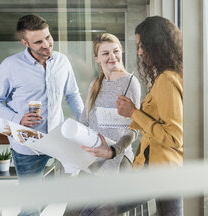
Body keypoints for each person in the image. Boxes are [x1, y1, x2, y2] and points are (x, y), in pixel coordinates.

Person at [0, 14, 84, 215]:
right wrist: (16, 119)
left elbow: (72, 94)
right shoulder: (11, 66)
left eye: (48, 37)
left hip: (58, 141)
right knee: (31, 206)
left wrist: (85, 125)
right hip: (27, 147)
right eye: (38, 42)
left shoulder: (62, 62)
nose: (47, 44)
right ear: (25, 42)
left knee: (60, 197)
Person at [63, 33, 141, 216]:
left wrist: (114, 150)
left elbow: (135, 128)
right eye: (105, 53)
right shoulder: (95, 85)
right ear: (97, 58)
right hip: (93, 159)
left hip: (118, 159)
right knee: (71, 212)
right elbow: (85, 121)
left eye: (115, 51)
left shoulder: (130, 82)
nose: (112, 57)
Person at [116, 16, 183, 216]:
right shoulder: (175, 75)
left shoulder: (166, 80)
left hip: (159, 169)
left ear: (157, 44)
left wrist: (134, 112)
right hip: (167, 170)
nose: (140, 51)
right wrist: (135, 113)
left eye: (142, 45)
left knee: (99, 209)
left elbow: (174, 136)